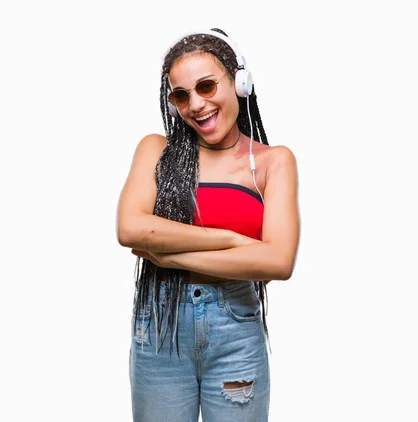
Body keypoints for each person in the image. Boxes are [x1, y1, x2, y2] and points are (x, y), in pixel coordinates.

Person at [116, 28, 300, 422]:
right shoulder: (156, 150)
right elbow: (130, 229)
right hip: (160, 327)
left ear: (239, 82)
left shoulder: (273, 161)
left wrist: (169, 255)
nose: (195, 104)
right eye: (181, 95)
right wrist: (233, 241)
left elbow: (279, 261)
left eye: (206, 86)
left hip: (235, 327)